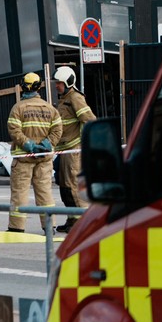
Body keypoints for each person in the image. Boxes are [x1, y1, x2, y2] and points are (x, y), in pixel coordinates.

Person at [6, 72, 61, 234]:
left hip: (24, 159)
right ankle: (50, 227)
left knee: (20, 194)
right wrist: (46, 144)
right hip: (44, 159)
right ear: (39, 87)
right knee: (45, 193)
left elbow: (14, 130)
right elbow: (58, 130)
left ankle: (16, 228)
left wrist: (29, 145)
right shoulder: (50, 109)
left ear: (23, 87)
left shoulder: (18, 108)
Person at [51, 65, 97, 224]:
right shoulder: (64, 99)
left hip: (73, 151)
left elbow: (90, 120)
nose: (56, 85)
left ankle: (84, 222)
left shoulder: (75, 98)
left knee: (74, 186)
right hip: (64, 151)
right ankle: (73, 220)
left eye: (59, 83)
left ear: (67, 82)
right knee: (65, 187)